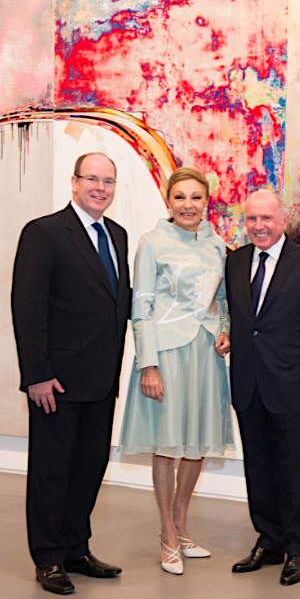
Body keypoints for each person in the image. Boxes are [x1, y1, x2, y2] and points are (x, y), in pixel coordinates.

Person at [11, 153, 131, 595]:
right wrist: (37, 373)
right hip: (56, 381)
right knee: (51, 471)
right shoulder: (44, 233)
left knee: (88, 467)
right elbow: (27, 307)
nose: (100, 188)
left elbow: (118, 302)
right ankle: (47, 559)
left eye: (109, 181)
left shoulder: (116, 235)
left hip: (101, 379)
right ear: (74, 182)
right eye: (92, 179)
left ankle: (75, 548)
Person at [119, 167, 234, 576]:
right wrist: (147, 364)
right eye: (180, 197)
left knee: (197, 442)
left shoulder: (218, 245)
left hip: (205, 354)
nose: (188, 205)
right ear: (169, 201)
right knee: (166, 445)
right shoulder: (151, 243)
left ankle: (182, 526)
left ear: (207, 202)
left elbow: (222, 298)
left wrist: (224, 330)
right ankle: (167, 534)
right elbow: (141, 308)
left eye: (196, 197)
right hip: (166, 353)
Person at [225, 188, 300, 586]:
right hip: (248, 384)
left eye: (266, 219)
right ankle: (268, 540)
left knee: (293, 470)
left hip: (294, 386)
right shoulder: (235, 262)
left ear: (282, 220)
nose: (259, 226)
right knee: (258, 466)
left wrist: (298, 364)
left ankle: (296, 549)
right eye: (252, 219)